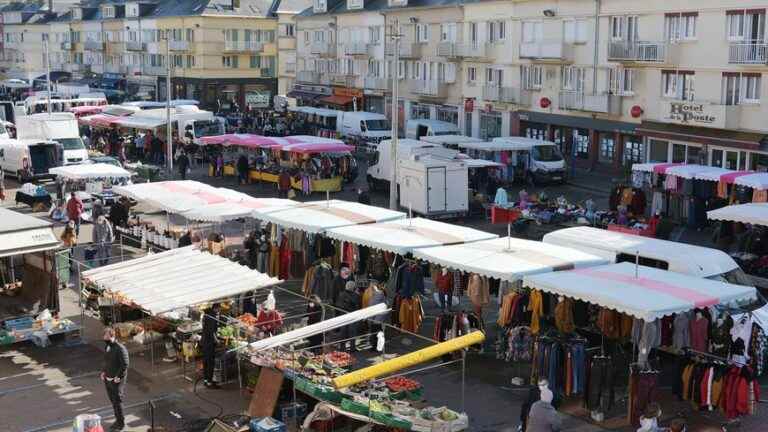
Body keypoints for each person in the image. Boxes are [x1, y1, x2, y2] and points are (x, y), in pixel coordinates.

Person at [101, 327, 129, 431]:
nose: (104, 338)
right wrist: (103, 372)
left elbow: (125, 364)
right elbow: (106, 361)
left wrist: (118, 377)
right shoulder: (107, 347)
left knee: (117, 401)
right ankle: (117, 420)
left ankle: (120, 423)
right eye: (104, 336)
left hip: (116, 380)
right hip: (107, 378)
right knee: (113, 401)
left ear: (112, 336)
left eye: (106, 336)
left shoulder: (120, 348)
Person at [335, 281, 361, 351]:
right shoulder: (356, 295)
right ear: (353, 287)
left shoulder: (341, 294)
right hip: (352, 316)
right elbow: (357, 305)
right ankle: (352, 348)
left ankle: (342, 347)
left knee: (343, 333)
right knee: (352, 333)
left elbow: (338, 305)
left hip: (343, 316)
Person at [201, 303, 221, 388]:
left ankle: (206, 380)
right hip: (209, 343)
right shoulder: (212, 317)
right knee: (210, 363)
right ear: (216, 308)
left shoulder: (206, 315)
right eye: (219, 309)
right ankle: (209, 382)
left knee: (205, 361)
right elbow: (212, 331)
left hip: (204, 341)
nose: (219, 311)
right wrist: (217, 340)